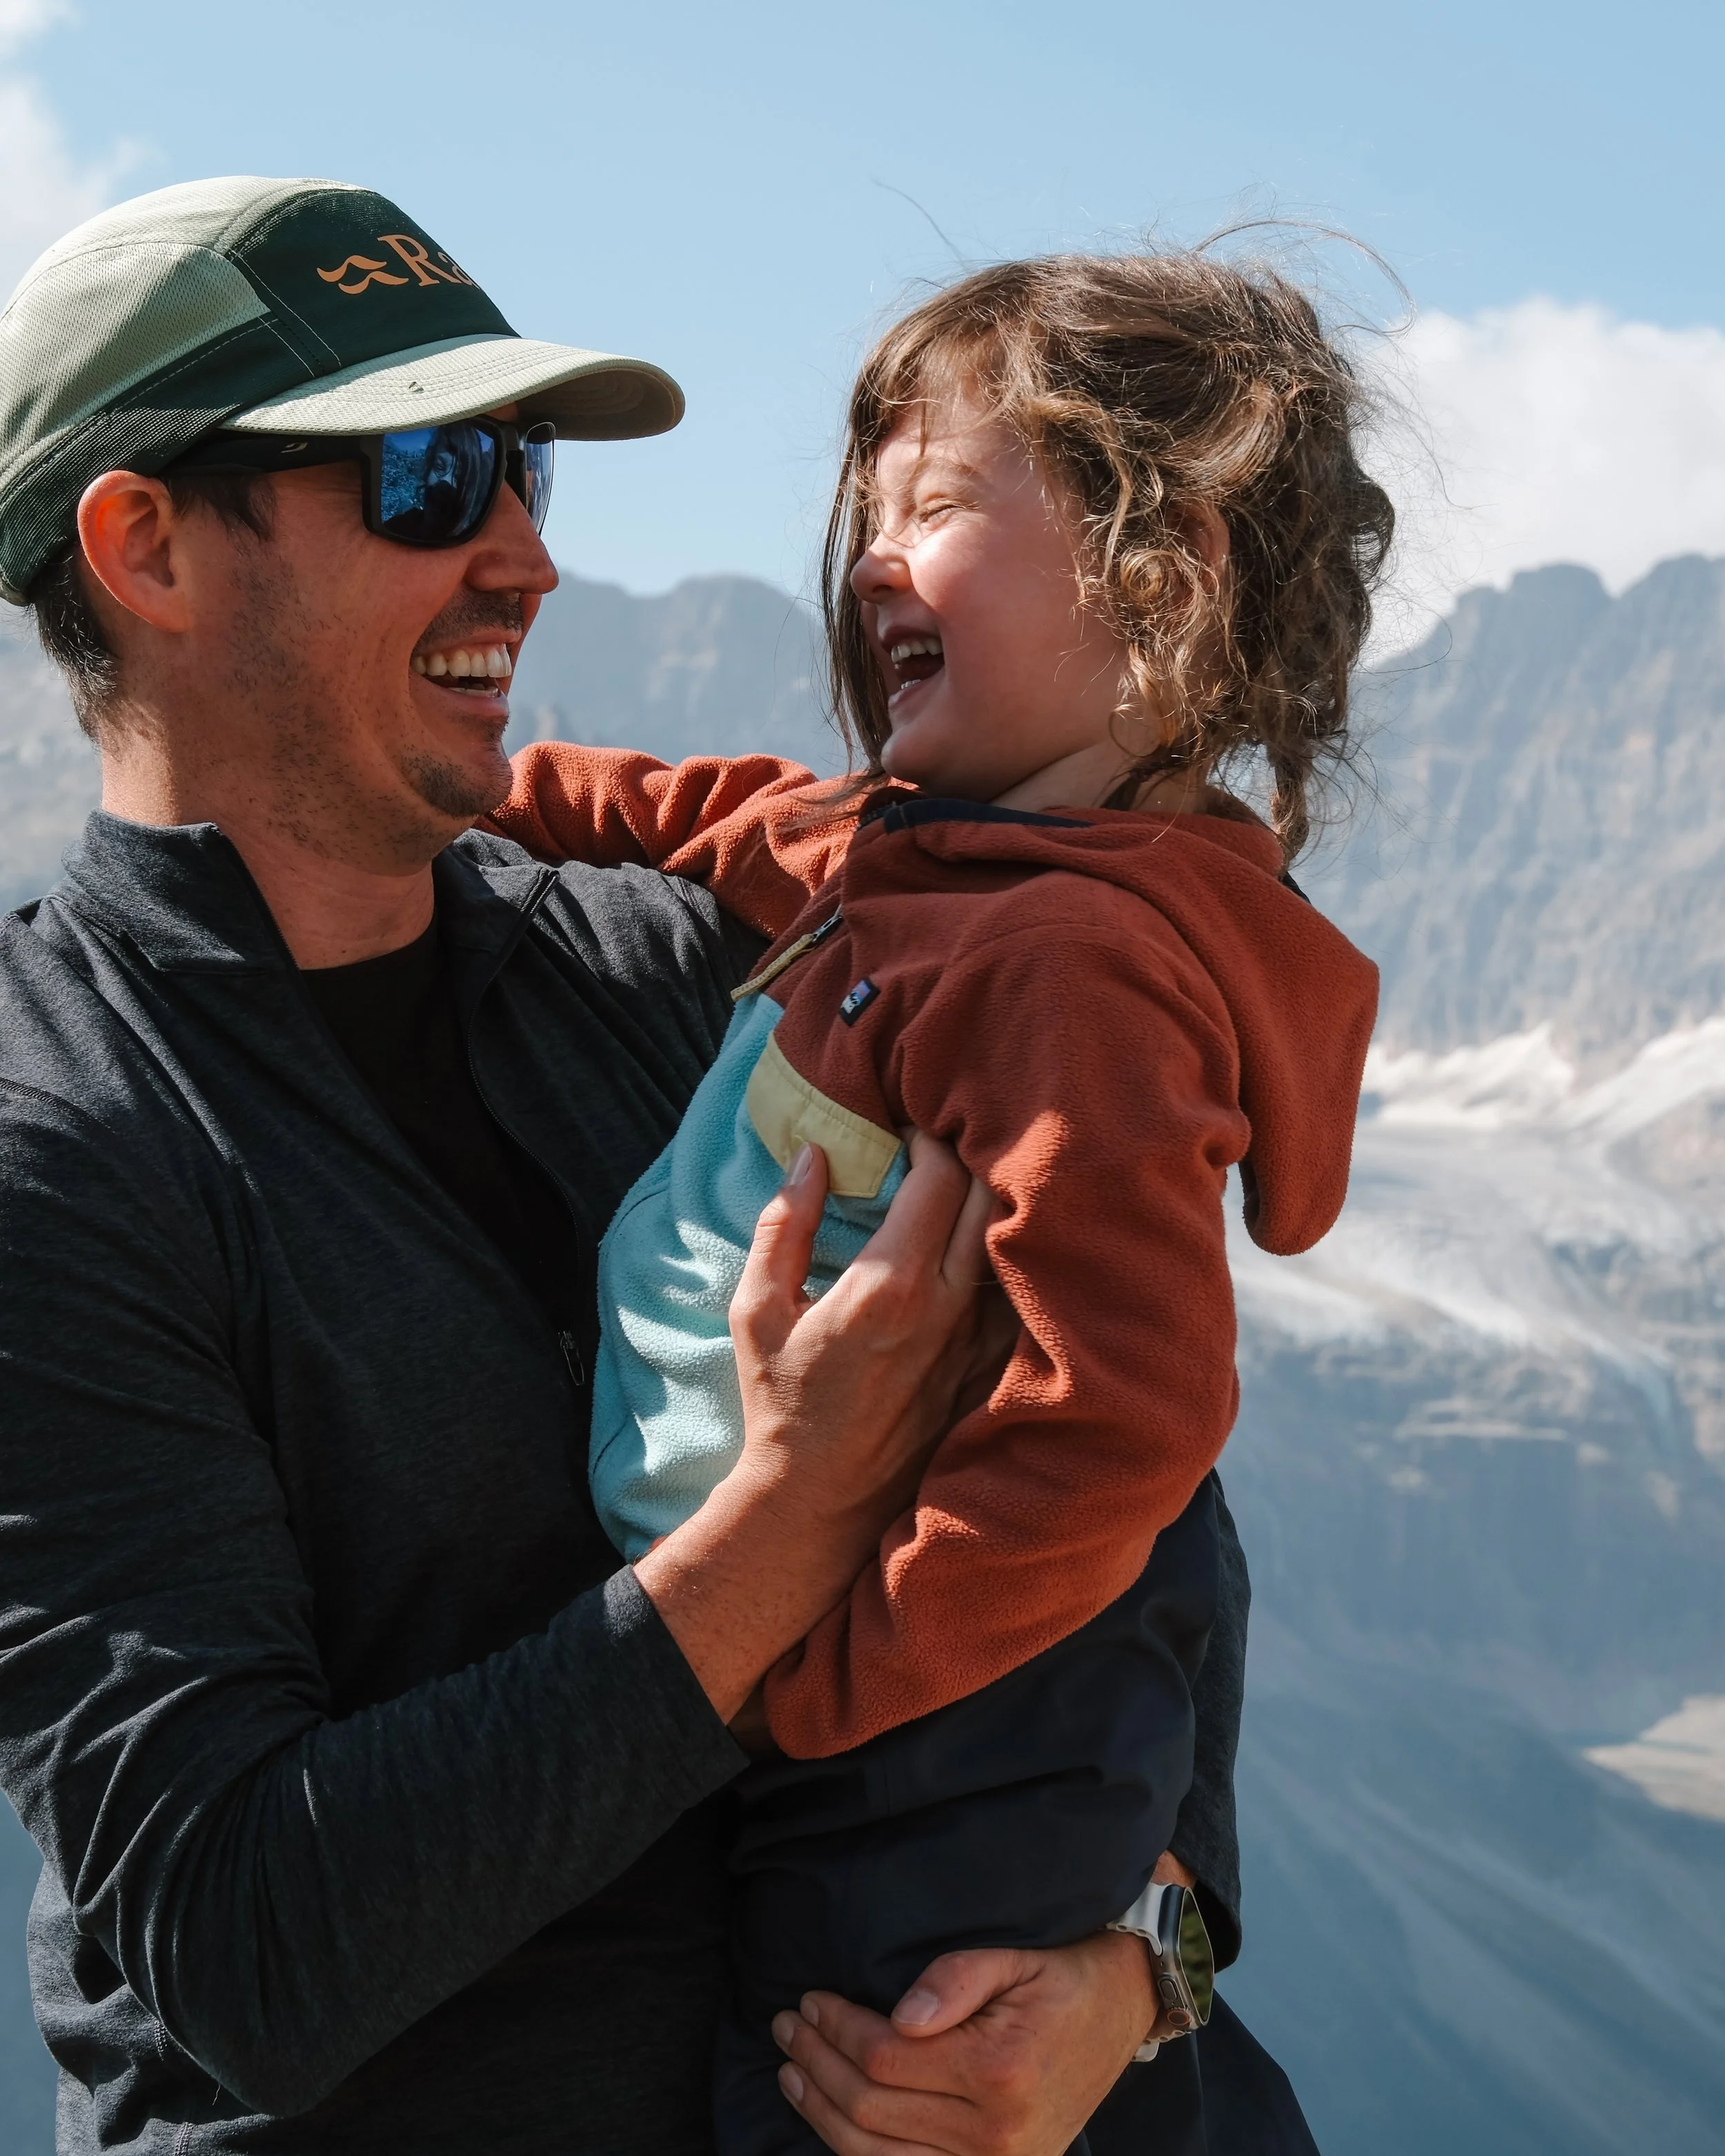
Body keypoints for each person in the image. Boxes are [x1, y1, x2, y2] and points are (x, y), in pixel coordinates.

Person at [0, 177, 1269, 2156]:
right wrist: (786, 1518)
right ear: (145, 546)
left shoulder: (699, 966)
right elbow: (243, 1946)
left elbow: (1131, 1479)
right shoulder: (51, 1141)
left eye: (528, 474)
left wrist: (1138, 1965)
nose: (526, 556)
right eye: (429, 478)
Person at [491, 248, 1386, 2153]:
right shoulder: (928, 856)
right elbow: (711, 813)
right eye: (868, 520)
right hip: (910, 1704)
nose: (870, 565)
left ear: (1163, 576)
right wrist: (480, 797)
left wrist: (835, 1668)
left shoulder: (1070, 962)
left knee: (863, 2089)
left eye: (939, 510)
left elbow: (1122, 1406)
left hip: (948, 1739)